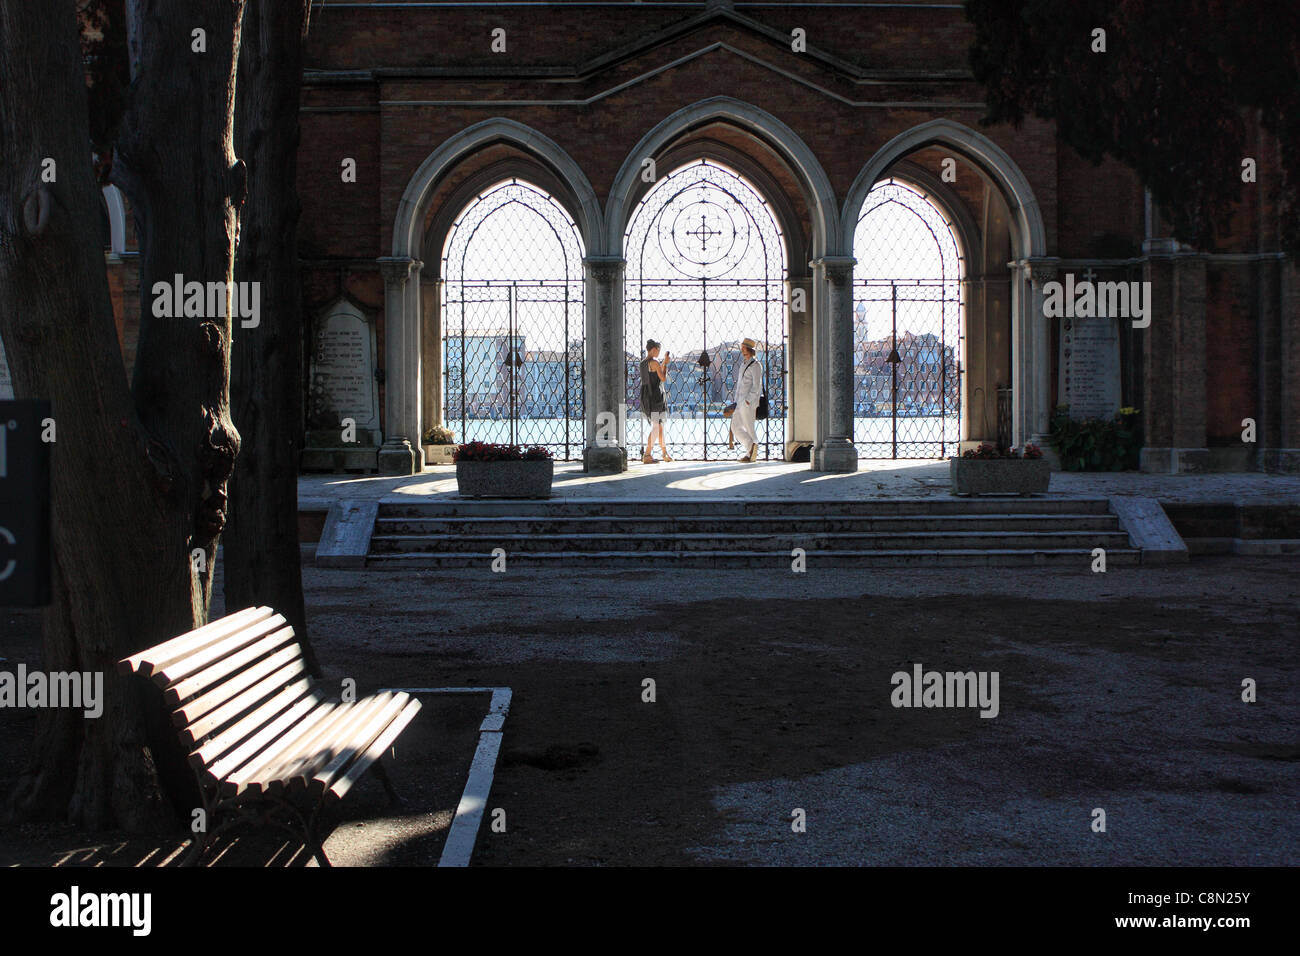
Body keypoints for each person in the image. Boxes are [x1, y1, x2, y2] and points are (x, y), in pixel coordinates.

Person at [639, 339, 672, 464]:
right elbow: (662, 378)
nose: (658, 352)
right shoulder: (654, 362)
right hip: (655, 398)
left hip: (646, 397)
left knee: (659, 427)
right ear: (653, 349)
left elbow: (654, 375)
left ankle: (664, 453)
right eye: (658, 350)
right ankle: (647, 454)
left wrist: (663, 362)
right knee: (657, 427)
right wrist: (666, 364)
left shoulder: (642, 363)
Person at [731, 337, 762, 462]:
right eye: (742, 347)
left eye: (744, 347)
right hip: (739, 401)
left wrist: (748, 400)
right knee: (735, 427)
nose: (742, 349)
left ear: (749, 349)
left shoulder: (756, 365)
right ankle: (751, 447)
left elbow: (757, 385)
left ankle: (751, 453)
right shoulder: (744, 364)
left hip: (748, 402)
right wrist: (736, 400)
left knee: (749, 427)